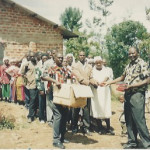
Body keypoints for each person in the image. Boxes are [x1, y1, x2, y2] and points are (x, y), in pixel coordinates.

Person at [104, 46, 150, 149]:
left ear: (138, 53)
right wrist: (109, 82)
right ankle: (132, 142)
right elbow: (122, 77)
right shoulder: (129, 65)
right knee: (129, 119)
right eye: (129, 54)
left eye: (133, 53)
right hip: (128, 95)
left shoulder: (142, 63)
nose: (131, 55)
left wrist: (131, 86)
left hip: (137, 95)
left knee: (139, 120)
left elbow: (147, 80)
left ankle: (147, 143)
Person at [42, 53, 70, 149]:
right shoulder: (52, 68)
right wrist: (55, 81)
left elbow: (71, 76)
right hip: (53, 95)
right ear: (55, 58)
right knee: (58, 115)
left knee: (65, 115)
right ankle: (56, 140)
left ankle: (62, 137)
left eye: (62, 58)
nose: (61, 59)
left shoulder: (64, 69)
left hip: (63, 95)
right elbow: (43, 76)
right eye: (59, 58)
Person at [71, 51, 97, 136]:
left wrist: (95, 82)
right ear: (78, 56)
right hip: (78, 89)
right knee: (76, 109)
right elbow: (79, 78)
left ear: (85, 56)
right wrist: (90, 82)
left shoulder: (89, 66)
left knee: (86, 109)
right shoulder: (75, 66)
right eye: (80, 55)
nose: (82, 56)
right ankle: (74, 127)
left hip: (87, 90)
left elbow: (91, 77)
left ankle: (86, 128)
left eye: (83, 55)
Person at [90, 56, 114, 135]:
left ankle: (108, 128)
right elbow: (91, 78)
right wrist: (96, 82)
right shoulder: (92, 70)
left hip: (104, 92)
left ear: (102, 62)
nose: (98, 64)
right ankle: (100, 128)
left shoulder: (106, 70)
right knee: (97, 108)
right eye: (96, 63)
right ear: (95, 63)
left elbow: (107, 77)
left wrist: (102, 82)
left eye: (100, 62)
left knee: (105, 108)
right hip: (96, 92)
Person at [20, 51, 38, 123]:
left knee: (36, 101)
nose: (32, 57)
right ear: (29, 57)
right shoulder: (26, 64)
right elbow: (22, 73)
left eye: (34, 56)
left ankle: (35, 114)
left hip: (39, 85)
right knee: (32, 100)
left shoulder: (37, 64)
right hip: (31, 85)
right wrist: (27, 80)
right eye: (31, 56)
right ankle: (30, 116)